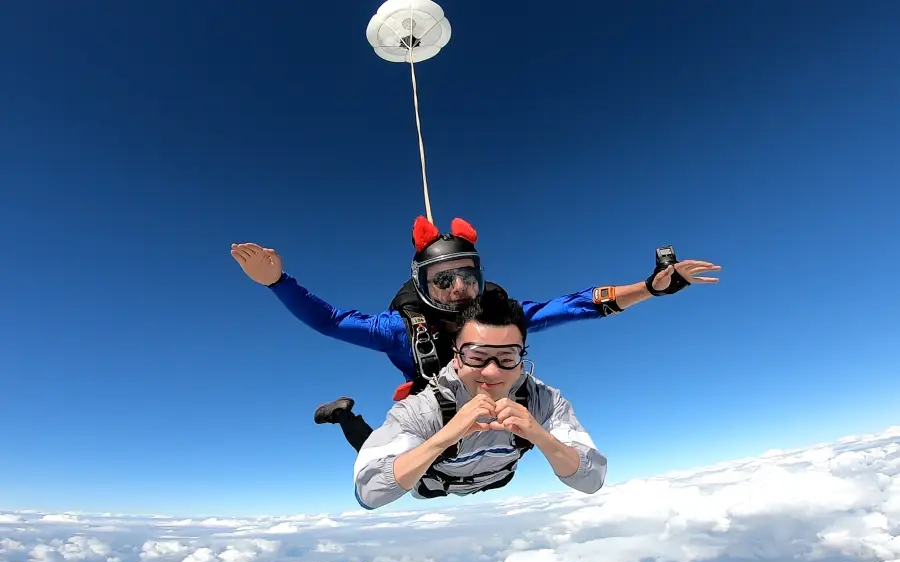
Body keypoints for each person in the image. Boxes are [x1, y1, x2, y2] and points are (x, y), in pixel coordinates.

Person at [231, 215, 721, 451]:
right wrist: (278, 282)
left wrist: (650, 288)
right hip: (433, 413)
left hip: (484, 412)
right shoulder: (400, 330)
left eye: (468, 276)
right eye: (442, 280)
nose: (458, 289)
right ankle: (345, 417)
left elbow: (575, 306)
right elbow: (332, 321)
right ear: (420, 284)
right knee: (392, 465)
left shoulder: (499, 316)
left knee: (510, 443)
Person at [353, 289, 607, 509]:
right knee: (370, 443)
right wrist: (446, 436)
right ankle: (345, 417)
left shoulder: (541, 400)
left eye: (507, 358)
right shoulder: (423, 408)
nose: (492, 371)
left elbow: (592, 479)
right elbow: (369, 492)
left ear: (521, 363)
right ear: (456, 357)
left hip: (496, 478)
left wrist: (540, 435)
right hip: (432, 487)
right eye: (477, 356)